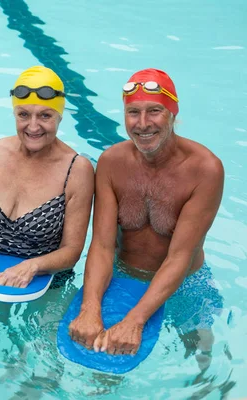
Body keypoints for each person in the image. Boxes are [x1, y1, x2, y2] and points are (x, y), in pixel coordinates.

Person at [68, 68, 224, 367]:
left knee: (201, 359)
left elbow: (179, 257)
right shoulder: (112, 162)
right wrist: (90, 307)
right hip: (120, 275)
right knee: (97, 359)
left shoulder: (205, 170)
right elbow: (101, 245)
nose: (142, 124)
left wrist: (135, 321)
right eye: (133, 112)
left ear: (172, 114)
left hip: (185, 284)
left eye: (154, 111)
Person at [0, 66, 95, 288]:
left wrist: (32, 266)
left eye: (45, 115)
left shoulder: (77, 170)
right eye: (24, 115)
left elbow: (72, 250)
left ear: (60, 117)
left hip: (44, 286)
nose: (33, 126)